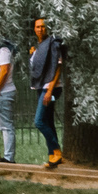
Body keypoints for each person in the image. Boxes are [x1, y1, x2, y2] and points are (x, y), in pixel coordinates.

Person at [27, 18, 66, 168]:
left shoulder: (53, 43)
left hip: (52, 89)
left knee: (39, 121)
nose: (40, 29)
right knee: (48, 120)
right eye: (37, 27)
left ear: (47, 28)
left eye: (43, 27)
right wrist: (33, 54)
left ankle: (56, 150)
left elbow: (58, 67)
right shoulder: (39, 46)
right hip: (41, 87)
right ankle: (53, 157)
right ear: (34, 29)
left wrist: (50, 90)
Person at [0, 34, 19, 162]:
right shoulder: (0, 49)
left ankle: (9, 158)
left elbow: (4, 70)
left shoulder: (3, 50)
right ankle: (8, 156)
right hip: (0, 92)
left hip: (2, 92)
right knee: (4, 126)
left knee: (6, 126)